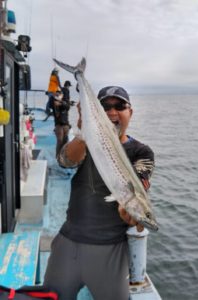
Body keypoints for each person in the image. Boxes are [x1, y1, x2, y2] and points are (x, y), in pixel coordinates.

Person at [44, 86, 155, 300]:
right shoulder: (87, 144)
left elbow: (140, 185)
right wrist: (85, 134)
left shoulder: (142, 152)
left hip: (111, 250)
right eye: (105, 107)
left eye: (120, 106)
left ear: (130, 112)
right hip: (69, 242)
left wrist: (132, 215)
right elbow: (65, 161)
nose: (112, 112)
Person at [49, 90, 70, 157]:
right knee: (60, 140)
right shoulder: (53, 101)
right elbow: (50, 105)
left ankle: (64, 156)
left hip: (66, 124)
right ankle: (58, 156)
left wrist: (61, 102)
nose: (58, 95)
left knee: (65, 140)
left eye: (60, 93)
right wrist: (53, 96)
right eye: (57, 94)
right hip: (58, 125)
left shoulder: (65, 101)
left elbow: (67, 107)